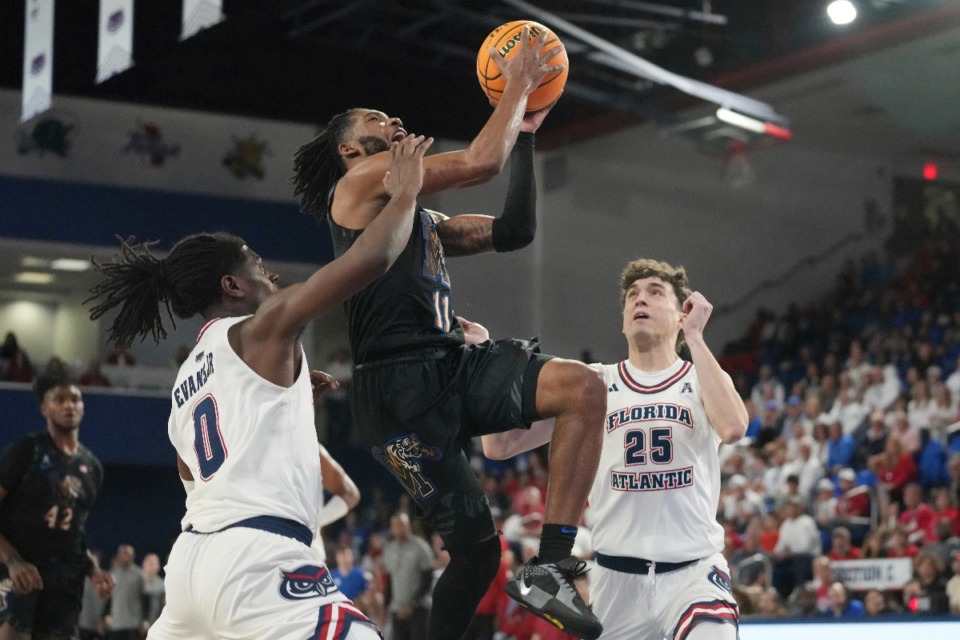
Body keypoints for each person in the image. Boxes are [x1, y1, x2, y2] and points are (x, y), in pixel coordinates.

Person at [291, 26, 604, 640]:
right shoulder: (353, 188)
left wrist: (528, 140)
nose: (394, 119)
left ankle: (552, 567)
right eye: (377, 120)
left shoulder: (423, 217)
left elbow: (514, 231)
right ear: (353, 153)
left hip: (451, 364)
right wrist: (515, 85)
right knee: (478, 554)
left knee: (585, 389)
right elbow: (477, 161)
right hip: (396, 395)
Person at [85, 133, 434, 639]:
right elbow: (369, 262)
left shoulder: (186, 379)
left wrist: (285, 404)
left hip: (190, 567)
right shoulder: (263, 325)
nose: (266, 268)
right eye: (252, 259)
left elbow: (200, 473)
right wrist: (405, 193)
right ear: (231, 285)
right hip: (257, 562)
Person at [483, 258, 748, 640]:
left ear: (680, 315)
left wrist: (696, 339)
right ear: (623, 318)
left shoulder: (699, 375)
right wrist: (486, 369)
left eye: (656, 292)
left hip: (693, 573)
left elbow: (734, 426)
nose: (641, 299)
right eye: (632, 295)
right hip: (615, 580)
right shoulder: (593, 384)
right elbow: (499, 445)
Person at [0, 373, 115, 639]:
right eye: (59, 399)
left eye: (75, 399)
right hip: (17, 573)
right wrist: (13, 561)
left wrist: (93, 570)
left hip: (64, 583)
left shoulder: (92, 468)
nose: (68, 405)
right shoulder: (27, 451)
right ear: (44, 408)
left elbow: (74, 535)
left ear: (83, 406)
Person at [382, 513, 434, 640]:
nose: (399, 528)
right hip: (397, 608)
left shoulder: (421, 547)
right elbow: (389, 580)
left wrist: (413, 603)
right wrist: (386, 605)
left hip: (418, 608)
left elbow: (427, 578)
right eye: (395, 525)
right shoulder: (389, 549)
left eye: (402, 525)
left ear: (408, 527)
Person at [104, 544, 143, 640]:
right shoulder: (112, 574)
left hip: (133, 625)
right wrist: (105, 615)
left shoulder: (139, 575)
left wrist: (143, 620)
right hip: (116, 624)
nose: (126, 556)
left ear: (133, 556)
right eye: (123, 553)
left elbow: (144, 598)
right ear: (118, 555)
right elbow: (108, 598)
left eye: (128, 553)